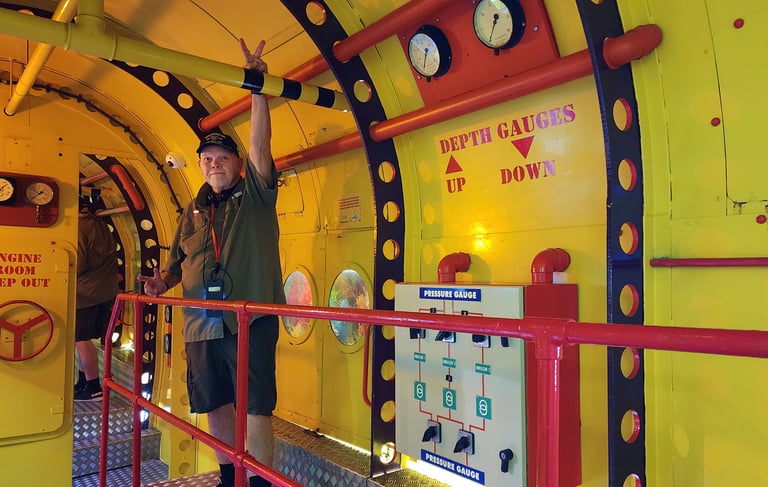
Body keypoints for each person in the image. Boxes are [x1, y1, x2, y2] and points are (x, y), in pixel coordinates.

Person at [138, 38, 284, 487]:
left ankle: (257, 483)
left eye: (223, 158)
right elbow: (179, 258)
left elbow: (261, 145)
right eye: (207, 159)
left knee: (254, 405)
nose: (214, 164)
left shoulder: (256, 195)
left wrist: (258, 89)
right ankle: (227, 478)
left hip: (249, 319)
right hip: (200, 323)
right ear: (200, 166)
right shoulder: (194, 208)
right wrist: (162, 283)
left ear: (239, 165)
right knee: (215, 404)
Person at [75, 197, 119, 401]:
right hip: (105, 292)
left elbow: (77, 263)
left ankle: (93, 386)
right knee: (84, 339)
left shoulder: (78, 228)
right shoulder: (101, 226)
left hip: (85, 295)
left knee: (81, 339)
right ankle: (83, 381)